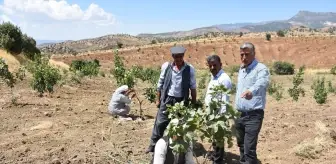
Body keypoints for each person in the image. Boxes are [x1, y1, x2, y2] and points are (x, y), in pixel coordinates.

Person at [146, 46, 197, 153]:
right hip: (168, 99)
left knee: (180, 124)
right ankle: (153, 144)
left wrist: (194, 103)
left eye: (180, 57)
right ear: (173, 57)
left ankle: (179, 147)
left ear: (183, 56)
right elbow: (160, 84)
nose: (178, 59)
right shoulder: (166, 66)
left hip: (182, 101)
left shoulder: (189, 68)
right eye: (176, 57)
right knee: (160, 122)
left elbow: (192, 87)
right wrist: (158, 99)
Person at [234, 42, 270, 164]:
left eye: (247, 54)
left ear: (254, 54)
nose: (244, 57)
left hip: (253, 116)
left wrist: (251, 91)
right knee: (242, 146)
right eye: (242, 55)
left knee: (249, 148)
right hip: (239, 114)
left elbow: (262, 83)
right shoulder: (242, 68)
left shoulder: (261, 69)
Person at [204, 55, 232, 164]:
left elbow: (224, 100)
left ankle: (218, 160)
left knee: (219, 138)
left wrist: (221, 117)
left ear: (221, 64)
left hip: (219, 114)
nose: (212, 67)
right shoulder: (214, 76)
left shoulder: (224, 79)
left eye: (214, 65)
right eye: (210, 65)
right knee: (215, 138)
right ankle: (216, 156)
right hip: (212, 113)